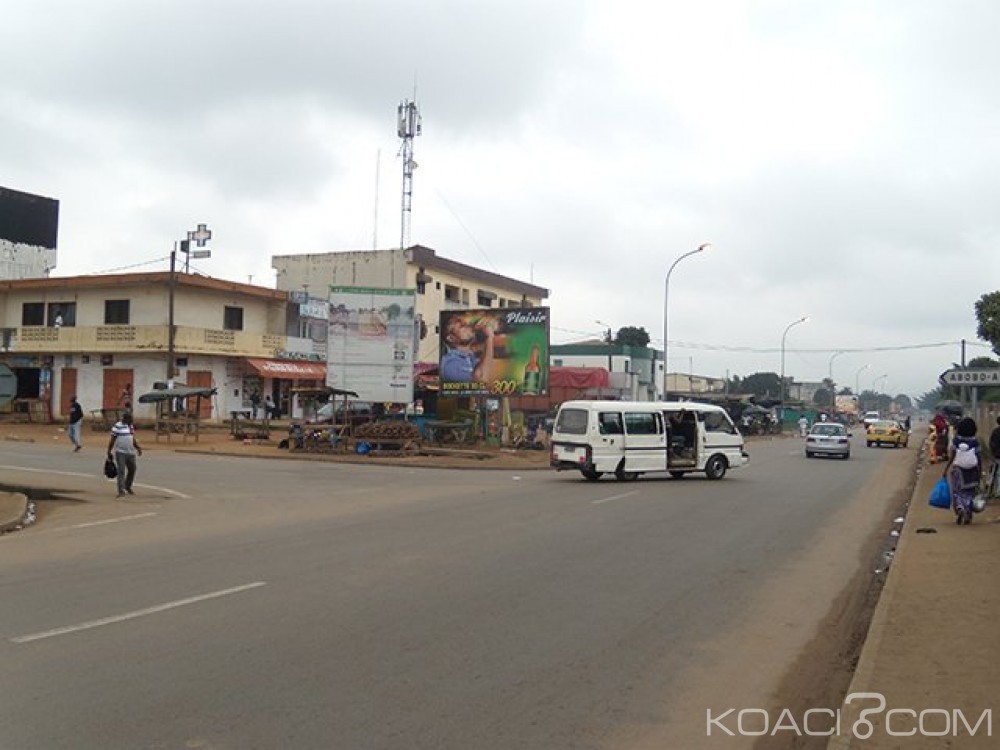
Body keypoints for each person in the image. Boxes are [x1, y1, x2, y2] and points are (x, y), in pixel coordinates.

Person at [440, 314, 495, 384]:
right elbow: (481, 378)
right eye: (462, 326)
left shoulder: (470, 357)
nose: (469, 327)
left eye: (467, 325)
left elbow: (487, 370)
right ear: (451, 338)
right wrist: (489, 338)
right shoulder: (450, 363)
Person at [107, 412, 143, 497]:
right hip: (120, 452)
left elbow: (132, 438)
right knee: (121, 471)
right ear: (125, 419)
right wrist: (109, 450)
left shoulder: (130, 426)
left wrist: (138, 448)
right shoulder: (117, 426)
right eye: (129, 419)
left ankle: (127, 486)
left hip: (130, 452)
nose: (131, 421)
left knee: (132, 469)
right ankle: (121, 490)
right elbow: (112, 439)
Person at [948, 442, 981, 525]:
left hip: (958, 471)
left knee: (957, 492)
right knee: (969, 493)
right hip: (972, 471)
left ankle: (960, 508)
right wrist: (980, 472)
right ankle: (967, 513)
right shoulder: (975, 443)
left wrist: (946, 468)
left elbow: (952, 456)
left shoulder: (957, 440)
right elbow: (979, 459)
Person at [989, 416, 1000, 497]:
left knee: (995, 474)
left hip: (996, 455)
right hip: (997, 455)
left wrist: (993, 453)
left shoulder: (995, 432)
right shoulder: (995, 432)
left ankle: (995, 491)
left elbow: (991, 444)